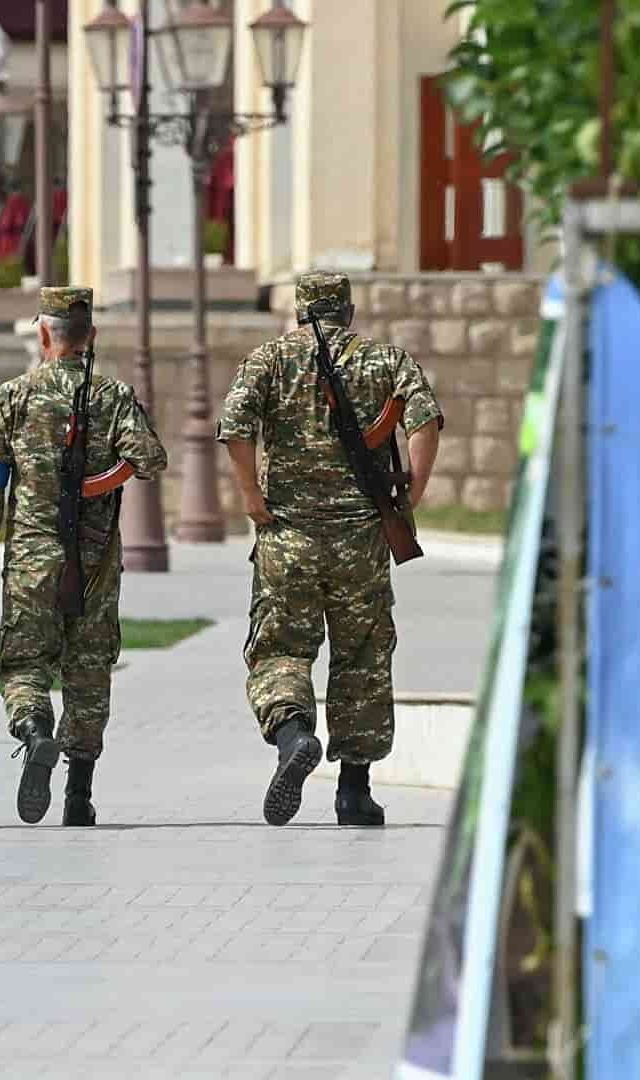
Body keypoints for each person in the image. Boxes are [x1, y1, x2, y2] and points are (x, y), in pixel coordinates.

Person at [217, 270, 443, 828]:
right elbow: (424, 418)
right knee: (362, 658)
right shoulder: (383, 359)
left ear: (298, 310)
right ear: (347, 310)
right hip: (360, 540)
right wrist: (414, 487)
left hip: (286, 536)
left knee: (281, 651)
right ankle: (354, 793)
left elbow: (234, 426)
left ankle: (294, 733)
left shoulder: (268, 360)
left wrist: (251, 495)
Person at [0, 287, 169, 827]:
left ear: (44, 334)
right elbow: (150, 457)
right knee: (89, 670)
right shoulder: (112, 395)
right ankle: (79, 795)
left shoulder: (12, 397)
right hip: (95, 561)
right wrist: (105, 484)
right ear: (90, 336)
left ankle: (33, 732)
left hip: (32, 556)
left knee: (25, 663)